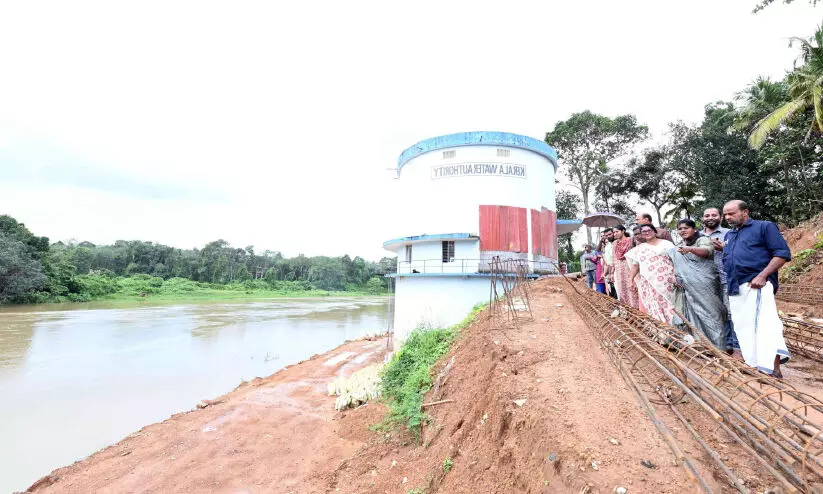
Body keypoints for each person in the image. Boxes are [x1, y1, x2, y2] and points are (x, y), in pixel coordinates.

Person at [722, 200, 792, 378]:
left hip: (756, 285)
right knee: (744, 328)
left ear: (745, 212)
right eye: (725, 214)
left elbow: (782, 254)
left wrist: (763, 275)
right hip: (736, 288)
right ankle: (756, 365)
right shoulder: (729, 235)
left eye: (731, 213)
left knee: (765, 327)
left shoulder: (764, 227)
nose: (727, 217)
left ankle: (774, 369)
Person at [669, 219, 727, 350]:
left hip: (704, 284)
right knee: (693, 315)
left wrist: (690, 249)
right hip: (686, 285)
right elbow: (676, 264)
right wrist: (675, 276)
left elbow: (707, 251)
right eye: (680, 229)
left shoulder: (703, 240)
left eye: (686, 228)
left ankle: (718, 348)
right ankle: (701, 346)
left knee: (711, 315)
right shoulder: (678, 246)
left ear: (694, 229)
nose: (683, 230)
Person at [702, 207, 737, 354]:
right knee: (713, 314)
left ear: (720, 218)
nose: (710, 217)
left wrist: (724, 249)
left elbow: (738, 252)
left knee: (731, 313)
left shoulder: (729, 234)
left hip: (725, 278)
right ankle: (719, 344)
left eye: (714, 215)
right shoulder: (697, 236)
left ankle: (735, 346)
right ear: (703, 219)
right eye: (707, 215)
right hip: (705, 282)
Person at [625, 224, 677, 323]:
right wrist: (631, 280)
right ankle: (662, 331)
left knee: (670, 303)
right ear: (641, 235)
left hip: (668, 281)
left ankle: (675, 327)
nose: (647, 232)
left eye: (649, 230)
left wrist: (677, 276)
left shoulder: (667, 244)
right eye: (644, 231)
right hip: (649, 282)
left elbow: (676, 261)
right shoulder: (639, 249)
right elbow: (635, 266)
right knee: (655, 305)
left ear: (655, 231)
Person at [611, 225, 639, 308]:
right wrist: (612, 273)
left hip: (630, 268)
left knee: (633, 289)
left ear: (623, 231)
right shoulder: (614, 243)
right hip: (619, 271)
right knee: (622, 290)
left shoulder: (630, 240)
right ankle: (627, 310)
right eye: (614, 232)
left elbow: (635, 255)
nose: (615, 234)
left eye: (617, 232)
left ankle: (637, 310)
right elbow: (613, 258)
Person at [599, 228, 618, 298]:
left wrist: (609, 273)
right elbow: (607, 263)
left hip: (617, 270)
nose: (607, 237)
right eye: (605, 235)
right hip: (610, 271)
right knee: (612, 290)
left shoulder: (615, 244)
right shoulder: (607, 247)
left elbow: (613, 261)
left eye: (610, 234)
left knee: (617, 290)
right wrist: (607, 273)